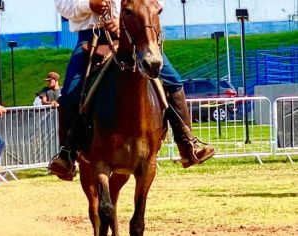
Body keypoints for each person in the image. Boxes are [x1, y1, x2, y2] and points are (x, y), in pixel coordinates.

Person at [49, 0, 215, 181]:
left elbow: (157, 3)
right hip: (93, 37)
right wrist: (89, 5)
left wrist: (128, 19)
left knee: (173, 82)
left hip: (137, 33)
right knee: (71, 92)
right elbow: (62, 5)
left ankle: (187, 144)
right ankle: (67, 154)